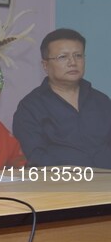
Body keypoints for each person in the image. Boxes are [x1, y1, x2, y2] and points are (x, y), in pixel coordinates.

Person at [13, 29, 111, 168]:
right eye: (63, 57)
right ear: (45, 65)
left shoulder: (101, 101)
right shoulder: (30, 107)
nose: (73, 62)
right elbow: (35, 156)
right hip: (59, 185)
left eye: (78, 55)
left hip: (106, 183)